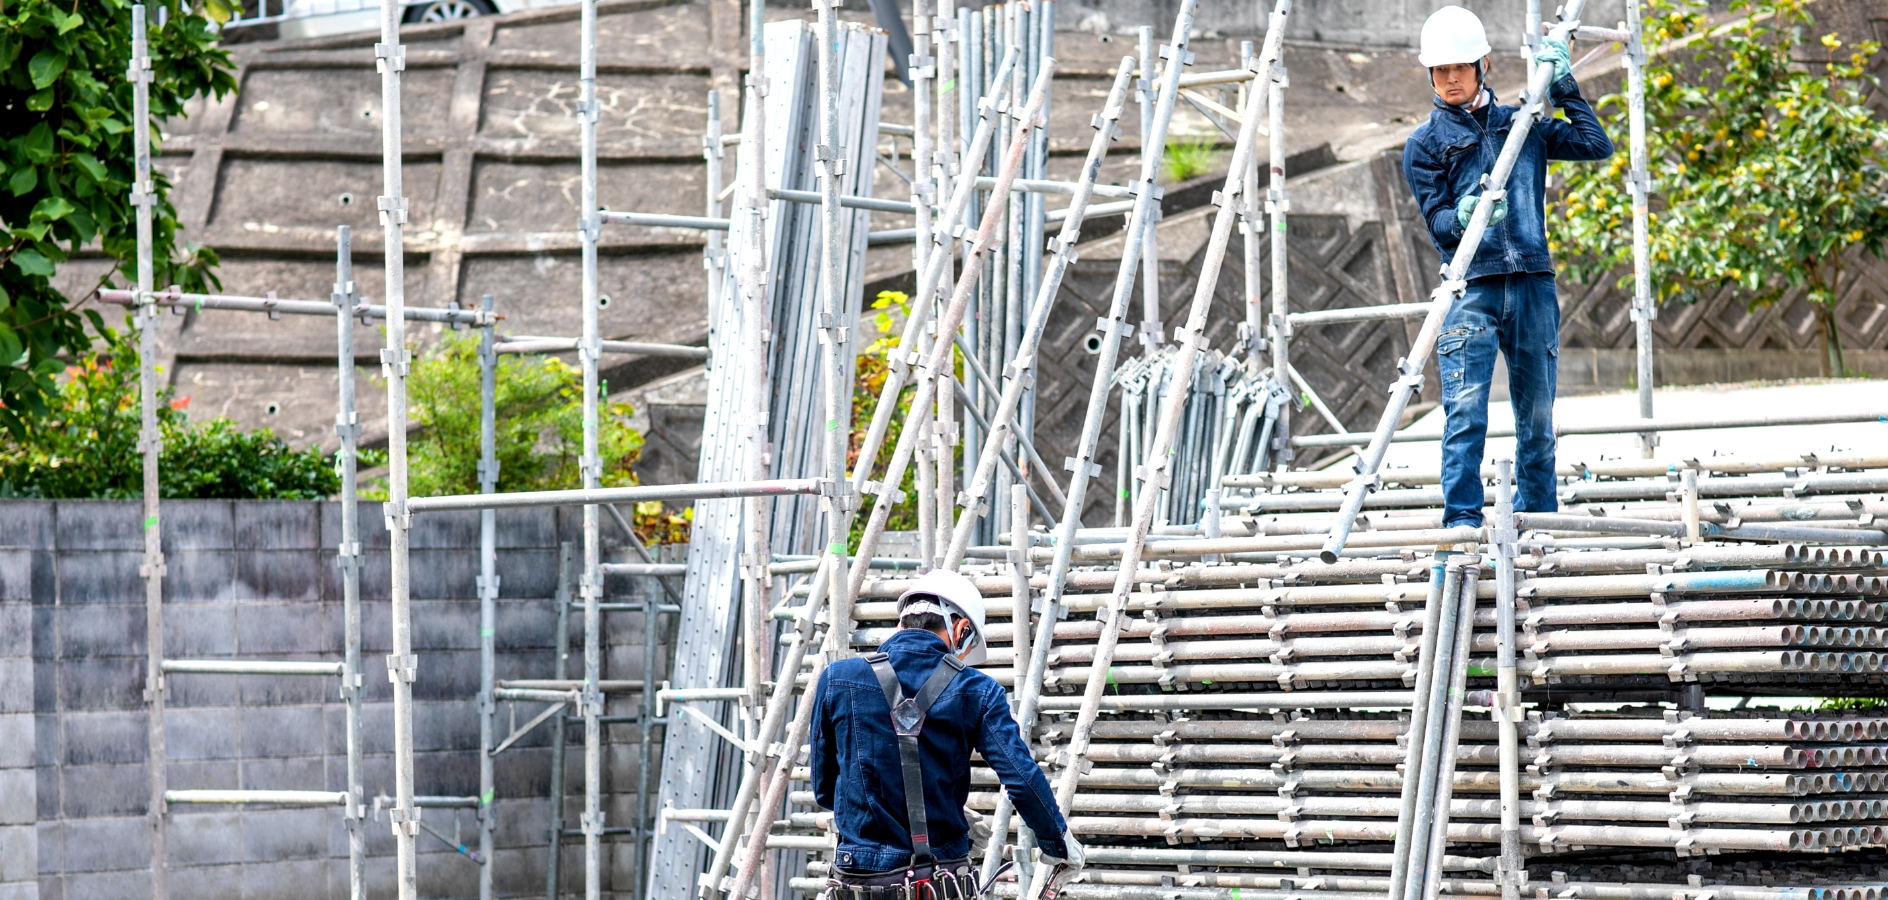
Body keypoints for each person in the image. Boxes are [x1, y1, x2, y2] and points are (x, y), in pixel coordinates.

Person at [1401, 5, 1614, 527]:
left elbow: (1595, 144)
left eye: (1460, 68)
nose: (1450, 79)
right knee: (1465, 414)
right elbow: (1440, 225)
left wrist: (1564, 85)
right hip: (1470, 286)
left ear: (1483, 66)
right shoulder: (1424, 145)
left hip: (1533, 284)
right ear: (1430, 73)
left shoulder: (1525, 127)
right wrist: (1465, 213)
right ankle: (1463, 526)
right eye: (1441, 71)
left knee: (1538, 418)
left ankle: (1539, 523)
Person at [810, 569, 1084, 900]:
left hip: (858, 882)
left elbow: (826, 789)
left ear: (902, 621)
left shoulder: (838, 678)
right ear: (961, 628)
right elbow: (1020, 777)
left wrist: (907, 805)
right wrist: (1058, 842)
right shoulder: (976, 690)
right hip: (938, 881)